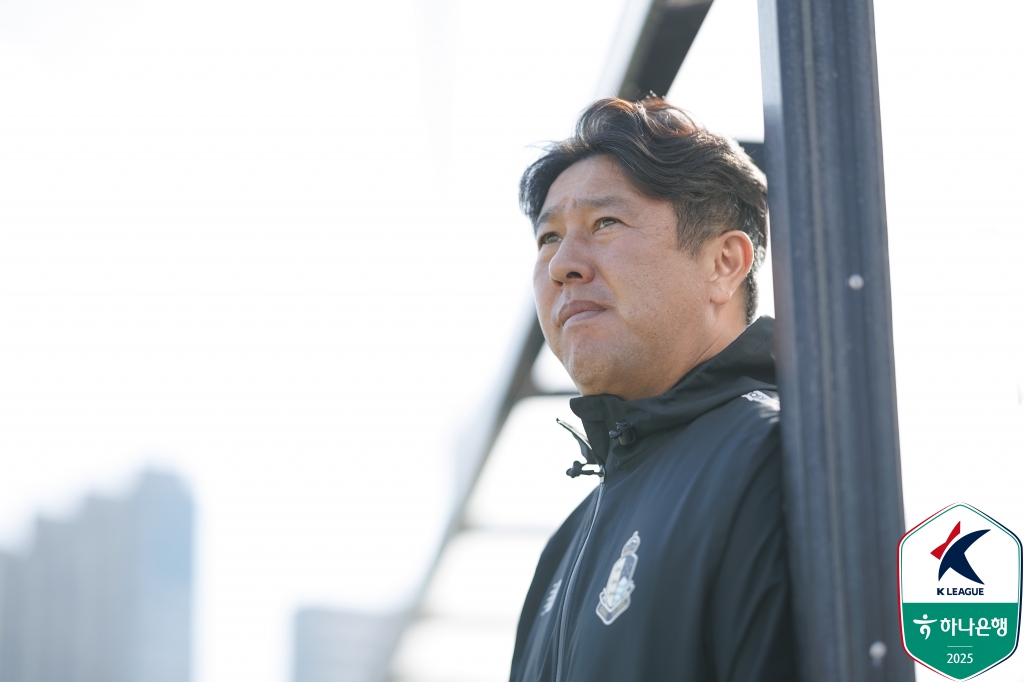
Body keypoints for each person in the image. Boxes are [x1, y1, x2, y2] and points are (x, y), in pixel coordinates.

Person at [509, 98, 797, 682]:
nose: (563, 264)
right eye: (549, 238)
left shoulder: (776, 455)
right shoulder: (566, 543)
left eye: (605, 224)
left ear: (724, 263)